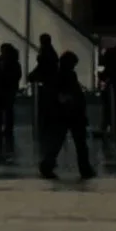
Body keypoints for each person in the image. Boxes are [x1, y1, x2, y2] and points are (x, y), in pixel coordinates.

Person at [38, 50, 96, 180]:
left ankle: (47, 165)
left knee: (57, 142)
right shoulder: (69, 76)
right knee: (80, 144)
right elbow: (74, 95)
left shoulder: (57, 76)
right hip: (73, 114)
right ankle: (84, 168)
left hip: (62, 114)